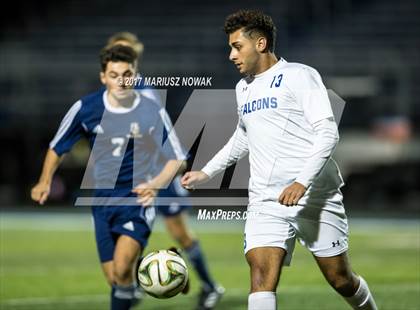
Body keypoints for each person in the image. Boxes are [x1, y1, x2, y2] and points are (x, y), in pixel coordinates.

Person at [181, 10, 378, 310]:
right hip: (266, 200)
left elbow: (328, 133)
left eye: (237, 46)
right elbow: (243, 137)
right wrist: (206, 172)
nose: (231, 55)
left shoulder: (300, 75)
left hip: (316, 198)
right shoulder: (243, 89)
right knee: (261, 276)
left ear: (260, 43)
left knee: (341, 279)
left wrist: (301, 182)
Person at [31, 45, 186, 310]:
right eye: (114, 75)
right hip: (102, 203)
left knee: (123, 268)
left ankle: (155, 268)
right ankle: (161, 265)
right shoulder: (86, 108)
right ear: (103, 77)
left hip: (136, 201)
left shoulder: (151, 109)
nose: (122, 81)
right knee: (116, 278)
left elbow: (178, 158)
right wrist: (45, 180)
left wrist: (156, 185)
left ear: (135, 75)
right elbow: (58, 147)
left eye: (127, 74)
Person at [105, 32, 225, 310]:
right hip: (134, 175)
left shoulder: (142, 93)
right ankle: (132, 286)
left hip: (159, 173)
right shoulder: (113, 92)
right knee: (130, 234)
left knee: (180, 234)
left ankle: (210, 286)